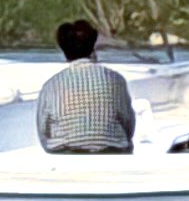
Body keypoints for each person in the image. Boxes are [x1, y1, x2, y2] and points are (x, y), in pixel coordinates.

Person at [34, 17, 137, 155]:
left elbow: (43, 132)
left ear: (63, 48)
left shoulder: (51, 86)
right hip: (112, 154)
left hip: (65, 156)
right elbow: (128, 125)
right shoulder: (116, 80)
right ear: (92, 44)